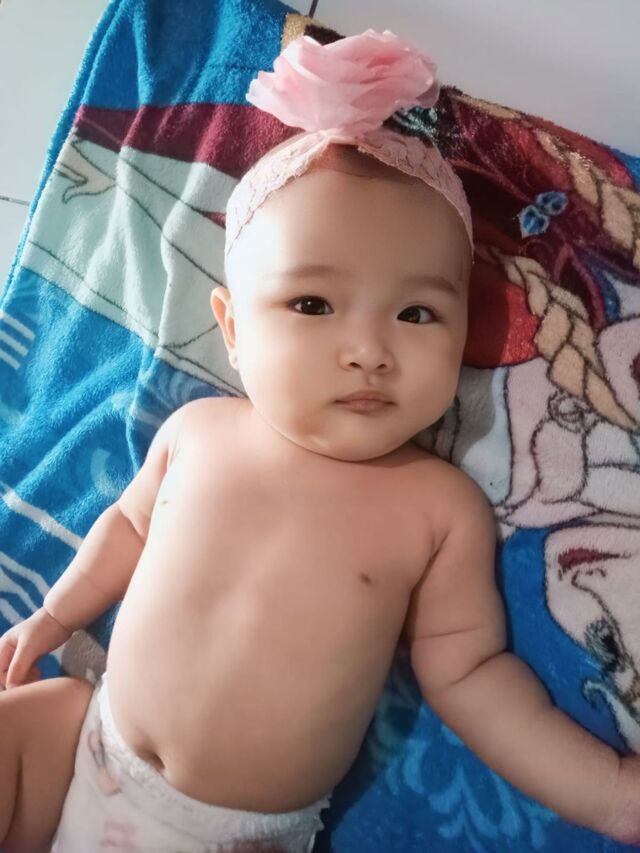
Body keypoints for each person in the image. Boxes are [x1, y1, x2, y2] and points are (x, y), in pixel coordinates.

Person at [0, 28, 638, 853]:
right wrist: (54, 616)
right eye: (312, 305)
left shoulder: (436, 509)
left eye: (417, 313)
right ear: (233, 328)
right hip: (88, 741)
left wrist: (607, 792)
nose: (368, 349)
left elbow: (472, 675)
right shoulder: (198, 432)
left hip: (232, 836)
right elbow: (126, 526)